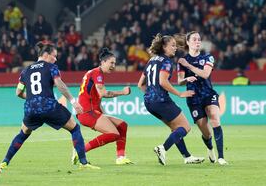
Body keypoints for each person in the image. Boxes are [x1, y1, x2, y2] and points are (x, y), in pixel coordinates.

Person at [0, 42, 99, 181]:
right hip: (48, 106)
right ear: (46, 55)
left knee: (23, 133)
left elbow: (18, 92)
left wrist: (32, 98)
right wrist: (73, 101)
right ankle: (83, 163)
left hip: (31, 108)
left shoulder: (25, 70)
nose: (56, 59)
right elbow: (59, 84)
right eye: (54, 56)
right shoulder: (51, 67)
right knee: (75, 128)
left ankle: (4, 162)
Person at [137, 33, 204, 166]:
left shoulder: (152, 60)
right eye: (172, 46)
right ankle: (162, 148)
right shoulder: (167, 61)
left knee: (175, 128)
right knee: (185, 126)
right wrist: (179, 94)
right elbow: (162, 82)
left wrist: (150, 96)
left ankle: (187, 157)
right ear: (164, 47)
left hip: (149, 102)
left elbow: (140, 84)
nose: (175, 48)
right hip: (161, 101)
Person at [74, 48, 133, 165]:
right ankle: (80, 151)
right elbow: (103, 93)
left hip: (90, 111)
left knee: (122, 125)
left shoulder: (94, 73)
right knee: (114, 134)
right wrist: (122, 92)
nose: (113, 65)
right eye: (111, 63)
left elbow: (96, 97)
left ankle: (120, 157)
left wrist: (103, 114)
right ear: (103, 62)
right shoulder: (97, 73)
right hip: (87, 112)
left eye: (115, 63)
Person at [176, 31, 228, 165]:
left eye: (199, 39)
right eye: (194, 39)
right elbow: (179, 81)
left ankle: (221, 157)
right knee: (205, 131)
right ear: (188, 42)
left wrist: (189, 66)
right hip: (193, 98)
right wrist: (187, 78)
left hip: (208, 94)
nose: (197, 41)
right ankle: (210, 147)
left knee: (215, 119)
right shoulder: (181, 61)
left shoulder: (207, 57)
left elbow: (205, 74)